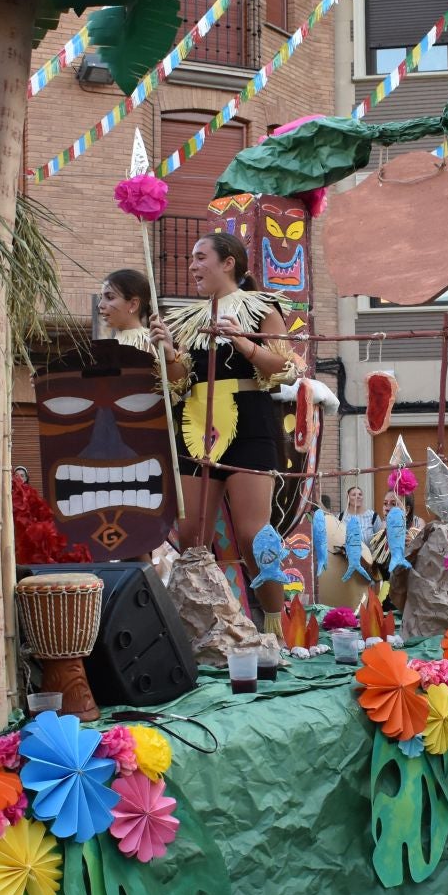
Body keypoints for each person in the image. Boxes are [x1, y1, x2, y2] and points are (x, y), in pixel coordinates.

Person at [149, 232, 300, 633]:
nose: (192, 266)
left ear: (228, 262)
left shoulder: (262, 306)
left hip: (250, 421)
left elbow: (286, 369)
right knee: (191, 534)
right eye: (191, 258)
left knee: (254, 536)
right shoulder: (188, 318)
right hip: (196, 424)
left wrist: (243, 343)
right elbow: (180, 380)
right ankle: (204, 627)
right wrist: (169, 353)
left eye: (201, 257)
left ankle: (276, 625)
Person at [99, 268, 156, 350]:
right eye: (101, 298)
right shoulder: (108, 345)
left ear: (133, 304)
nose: (100, 305)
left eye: (110, 297)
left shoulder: (151, 346)